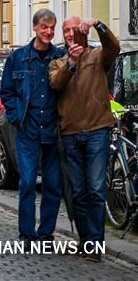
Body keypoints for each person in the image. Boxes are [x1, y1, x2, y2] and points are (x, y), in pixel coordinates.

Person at [49, 16, 120, 261]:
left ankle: (95, 248)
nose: (70, 34)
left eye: (74, 29)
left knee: (96, 190)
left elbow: (115, 47)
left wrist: (98, 25)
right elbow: (56, 84)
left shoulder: (98, 56)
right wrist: (71, 63)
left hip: (97, 131)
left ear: (81, 31)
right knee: (78, 193)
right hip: (69, 133)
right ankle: (86, 240)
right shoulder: (57, 62)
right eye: (66, 30)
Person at [0, 9, 64, 250]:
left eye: (52, 28)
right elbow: (7, 92)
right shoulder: (18, 58)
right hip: (27, 129)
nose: (48, 32)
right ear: (35, 28)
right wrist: (17, 117)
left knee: (52, 184)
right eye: (44, 27)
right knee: (27, 181)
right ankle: (27, 234)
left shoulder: (59, 57)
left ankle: (46, 235)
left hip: (51, 128)